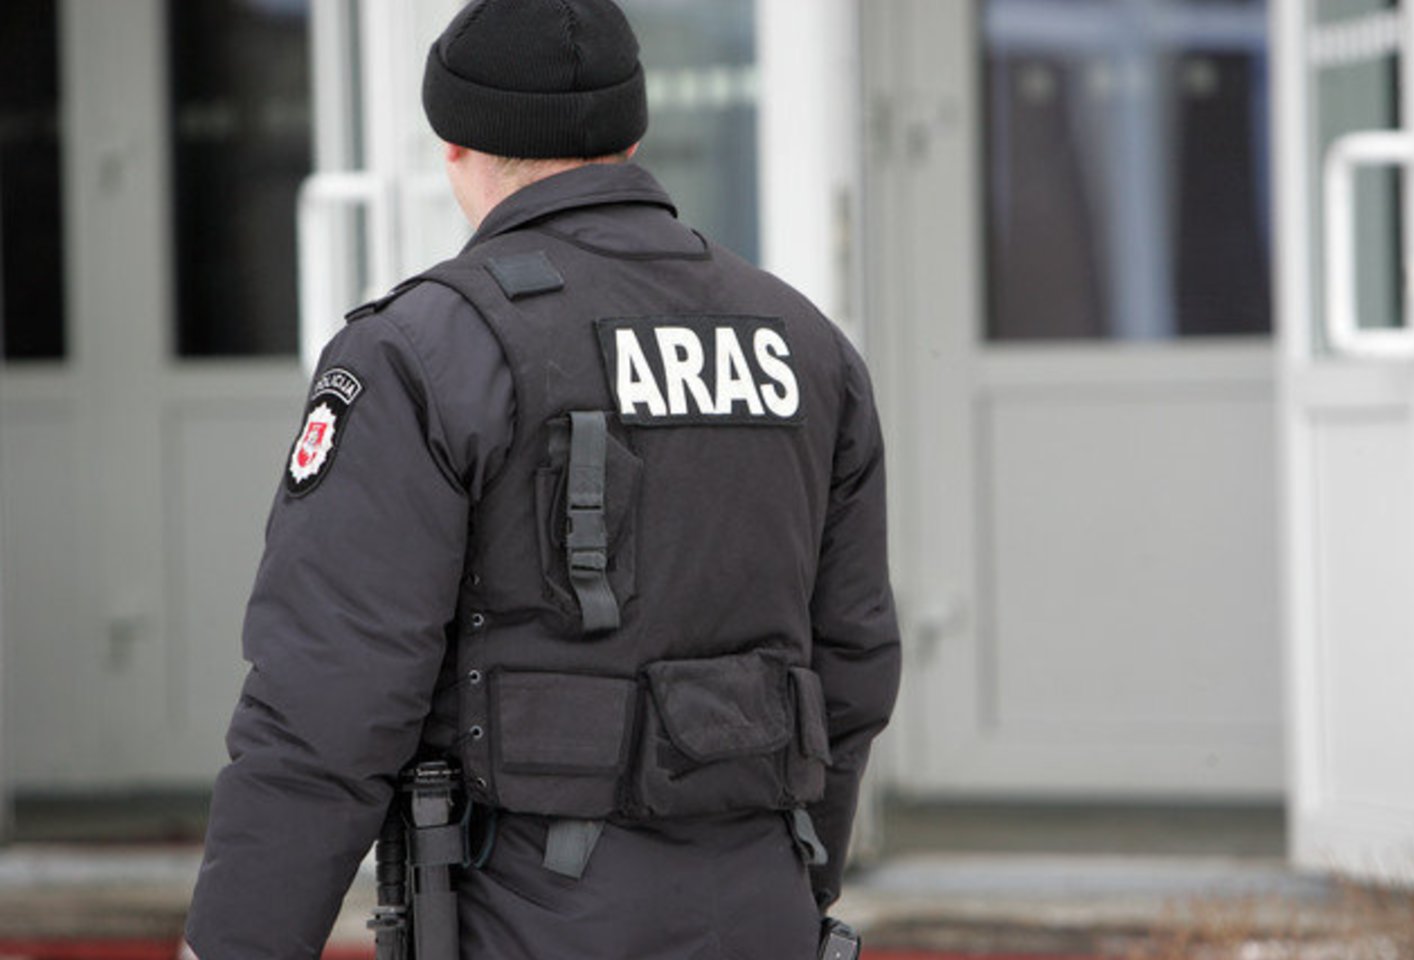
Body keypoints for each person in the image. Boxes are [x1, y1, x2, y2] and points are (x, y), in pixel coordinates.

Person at [184, 1, 901, 958]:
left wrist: (235, 944)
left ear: (453, 144)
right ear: (631, 138)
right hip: (764, 909)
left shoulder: (425, 350)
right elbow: (853, 666)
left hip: (527, 919)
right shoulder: (805, 344)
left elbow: (329, 701)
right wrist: (796, 874)